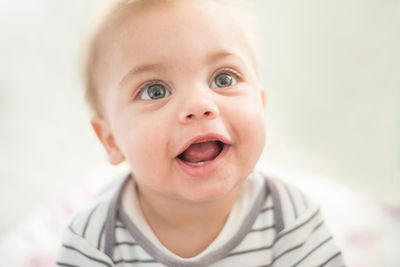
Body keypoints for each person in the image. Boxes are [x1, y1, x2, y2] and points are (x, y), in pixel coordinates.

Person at [56, 0, 345, 266]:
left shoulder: (289, 220)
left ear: (261, 103)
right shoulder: (94, 240)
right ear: (111, 140)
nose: (198, 105)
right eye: (154, 91)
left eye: (223, 78)